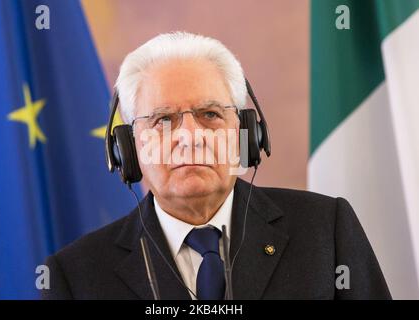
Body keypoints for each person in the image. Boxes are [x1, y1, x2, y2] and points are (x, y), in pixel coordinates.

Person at [42, 32, 391, 299]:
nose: (190, 137)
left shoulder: (325, 230)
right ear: (129, 148)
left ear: (245, 135)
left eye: (210, 114)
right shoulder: (75, 275)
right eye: (163, 119)